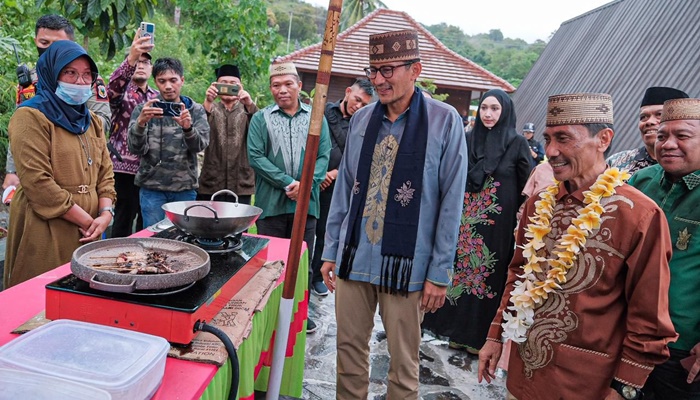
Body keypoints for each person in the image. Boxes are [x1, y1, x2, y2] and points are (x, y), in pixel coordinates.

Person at [478, 92, 678, 400]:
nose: (551, 151)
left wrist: (625, 389)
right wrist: (494, 337)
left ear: (603, 139)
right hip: (523, 375)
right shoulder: (538, 204)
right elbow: (517, 275)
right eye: (547, 139)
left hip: (586, 384)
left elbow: (648, 317)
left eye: (564, 138)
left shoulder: (638, 214)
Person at [320, 29, 468, 398]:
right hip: (354, 257)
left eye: (388, 70)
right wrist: (330, 249)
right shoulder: (362, 119)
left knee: (403, 366)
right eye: (374, 70)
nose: (379, 79)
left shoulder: (444, 120)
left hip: (409, 266)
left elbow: (452, 202)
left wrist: (439, 272)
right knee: (348, 354)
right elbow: (345, 190)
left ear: (415, 69)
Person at [422, 89, 533, 354]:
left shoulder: (517, 144)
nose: (488, 114)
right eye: (484, 108)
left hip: (497, 227)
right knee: (459, 273)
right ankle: (452, 332)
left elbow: (525, 185)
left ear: (505, 111)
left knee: (486, 277)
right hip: (463, 223)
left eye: (495, 109)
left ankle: (478, 338)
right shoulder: (467, 138)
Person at [3, 41, 116, 289]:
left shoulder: (93, 121)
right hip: (47, 226)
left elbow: (105, 175)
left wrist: (106, 213)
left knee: (84, 298)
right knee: (41, 301)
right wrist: (88, 223)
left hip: (92, 229)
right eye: (70, 73)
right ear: (52, 74)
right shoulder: (30, 116)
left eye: (87, 75)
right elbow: (38, 183)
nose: (79, 81)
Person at [247, 61, 331, 333]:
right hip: (271, 204)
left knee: (301, 262)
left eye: (288, 84)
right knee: (270, 262)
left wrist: (306, 185)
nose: (282, 90)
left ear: (299, 86)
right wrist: (288, 182)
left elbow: (323, 155)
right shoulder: (261, 118)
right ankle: (268, 317)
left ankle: (298, 315)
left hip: (306, 206)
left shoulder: (315, 118)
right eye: (275, 85)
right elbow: (255, 156)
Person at [628, 97, 700, 399]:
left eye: (682, 136)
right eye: (662, 136)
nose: (668, 144)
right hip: (627, 334)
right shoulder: (641, 182)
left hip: (682, 345)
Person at [4, 14, 111, 193]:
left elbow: (102, 122)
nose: (51, 50)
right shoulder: (29, 82)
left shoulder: (86, 80)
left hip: (77, 166)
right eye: (44, 43)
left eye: (58, 44)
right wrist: (12, 169)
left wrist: (65, 130)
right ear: (35, 40)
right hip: (36, 167)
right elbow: (19, 129)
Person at [310, 78, 374, 297]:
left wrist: (335, 173)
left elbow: (360, 157)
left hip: (337, 185)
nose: (359, 106)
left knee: (325, 232)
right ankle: (300, 274)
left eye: (365, 104)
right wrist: (317, 174)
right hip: (311, 182)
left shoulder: (364, 124)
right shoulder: (323, 112)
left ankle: (317, 277)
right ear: (348, 92)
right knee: (305, 232)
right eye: (357, 100)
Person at [128, 57, 209, 228]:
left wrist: (188, 129)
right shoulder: (144, 110)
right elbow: (135, 148)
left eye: (173, 80)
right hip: (152, 188)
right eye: (162, 81)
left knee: (184, 240)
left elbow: (200, 145)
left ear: (182, 80)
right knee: (154, 241)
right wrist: (141, 123)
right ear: (155, 82)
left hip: (184, 189)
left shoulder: (195, 110)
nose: (168, 86)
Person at [107, 30, 159, 237]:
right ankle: (117, 262)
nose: (140, 65)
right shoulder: (121, 94)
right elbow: (112, 88)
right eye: (137, 61)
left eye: (145, 62)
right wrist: (132, 56)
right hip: (123, 168)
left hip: (150, 169)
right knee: (122, 219)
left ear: (151, 68)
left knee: (147, 222)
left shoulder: (156, 96)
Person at [198, 64, 258, 204]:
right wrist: (207, 101)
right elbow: (198, 128)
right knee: (209, 223)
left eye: (233, 84)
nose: (228, 87)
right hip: (211, 182)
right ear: (215, 86)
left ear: (240, 87)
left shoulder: (247, 110)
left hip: (241, 182)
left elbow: (262, 129)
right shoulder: (210, 108)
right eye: (223, 84)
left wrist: (249, 103)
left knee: (238, 225)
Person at [607, 86, 688, 175]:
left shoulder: (693, 163)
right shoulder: (616, 163)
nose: (649, 122)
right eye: (643, 117)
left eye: (659, 114)